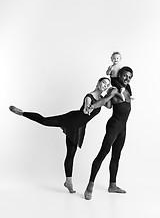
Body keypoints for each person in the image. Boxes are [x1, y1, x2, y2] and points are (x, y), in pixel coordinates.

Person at [9, 77, 118, 194]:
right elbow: (86, 109)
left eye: (107, 85)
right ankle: (22, 113)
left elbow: (110, 105)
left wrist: (114, 91)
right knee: (44, 121)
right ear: (98, 83)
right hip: (71, 120)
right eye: (103, 83)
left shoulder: (102, 99)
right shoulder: (89, 97)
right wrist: (88, 108)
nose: (105, 86)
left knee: (71, 153)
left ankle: (68, 182)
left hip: (79, 128)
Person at [84, 66, 133, 200]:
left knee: (116, 155)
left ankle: (112, 185)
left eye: (130, 77)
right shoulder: (115, 89)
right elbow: (105, 100)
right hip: (113, 126)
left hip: (123, 128)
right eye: (124, 76)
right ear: (119, 76)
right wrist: (93, 106)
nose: (127, 79)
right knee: (103, 153)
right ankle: (90, 185)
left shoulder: (127, 89)